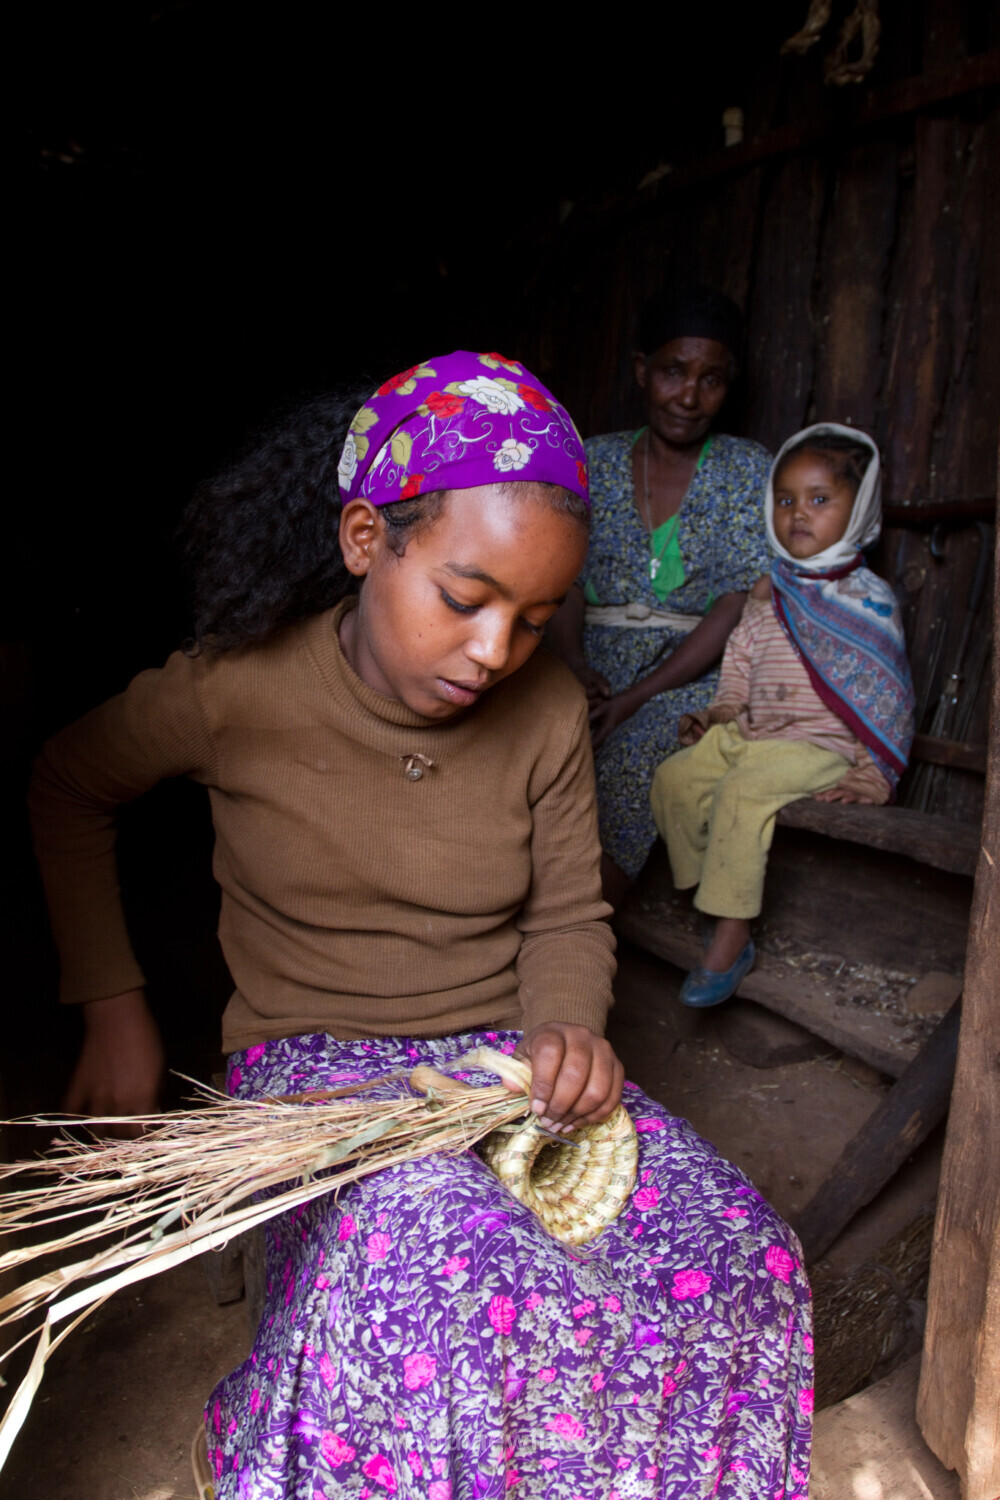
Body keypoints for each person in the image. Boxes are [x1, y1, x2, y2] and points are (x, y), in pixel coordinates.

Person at [29, 352, 812, 1499]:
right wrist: (112, 1002)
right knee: (449, 1261)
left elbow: (563, 911)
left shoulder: (544, 709)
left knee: (742, 1251)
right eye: (464, 599)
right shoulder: (235, 689)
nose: (495, 652)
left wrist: (565, 1028)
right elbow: (66, 782)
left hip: (495, 1064)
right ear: (366, 542)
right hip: (317, 1066)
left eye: (536, 620)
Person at [650, 424, 915, 1007]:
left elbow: (886, 697)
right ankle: (712, 898)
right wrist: (720, 710)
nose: (799, 513)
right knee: (674, 779)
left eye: (821, 500)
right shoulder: (769, 593)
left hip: (819, 747)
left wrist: (874, 772)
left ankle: (732, 935)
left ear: (860, 506)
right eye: (787, 499)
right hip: (751, 734)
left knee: (740, 795)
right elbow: (741, 658)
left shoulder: (867, 601)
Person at [546, 285, 772, 908]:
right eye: (674, 371)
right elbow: (562, 580)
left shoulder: (748, 469)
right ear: (643, 371)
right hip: (590, 656)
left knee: (640, 748)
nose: (690, 396)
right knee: (538, 736)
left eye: (712, 379)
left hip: (694, 670)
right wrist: (572, 665)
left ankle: (578, 929)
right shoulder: (591, 460)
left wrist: (638, 698)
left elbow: (735, 605)